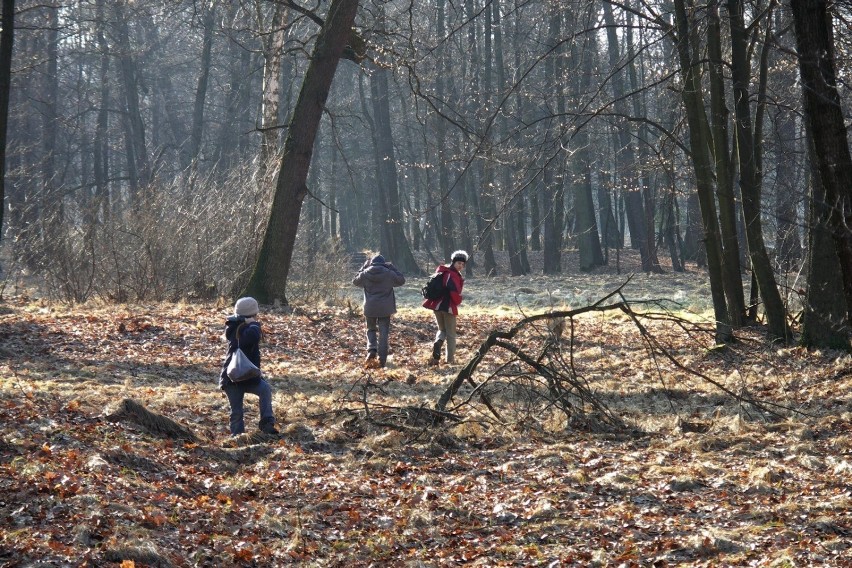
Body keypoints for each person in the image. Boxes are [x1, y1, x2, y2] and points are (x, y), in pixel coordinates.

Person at [219, 297, 278, 436]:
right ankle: (237, 437)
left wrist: (251, 324)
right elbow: (251, 337)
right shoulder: (235, 329)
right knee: (237, 412)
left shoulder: (243, 326)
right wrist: (254, 325)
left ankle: (267, 423)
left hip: (248, 376)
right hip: (232, 379)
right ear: (252, 314)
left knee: (265, 390)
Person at [353, 254, 406, 368]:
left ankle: (372, 349)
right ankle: (382, 360)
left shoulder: (365, 273)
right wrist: (392, 267)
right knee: (383, 334)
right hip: (385, 309)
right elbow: (402, 280)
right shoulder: (389, 273)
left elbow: (355, 281)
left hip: (370, 307)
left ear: (371, 263)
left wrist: (363, 267)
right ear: (383, 264)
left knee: (370, 329)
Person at [422, 250, 468, 365]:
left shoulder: (443, 271)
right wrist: (459, 300)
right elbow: (454, 292)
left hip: (436, 306)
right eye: (459, 263)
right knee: (451, 334)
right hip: (448, 307)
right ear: (453, 262)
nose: (460, 266)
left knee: (442, 330)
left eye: (463, 264)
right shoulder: (452, 275)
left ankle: (438, 342)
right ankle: (450, 360)